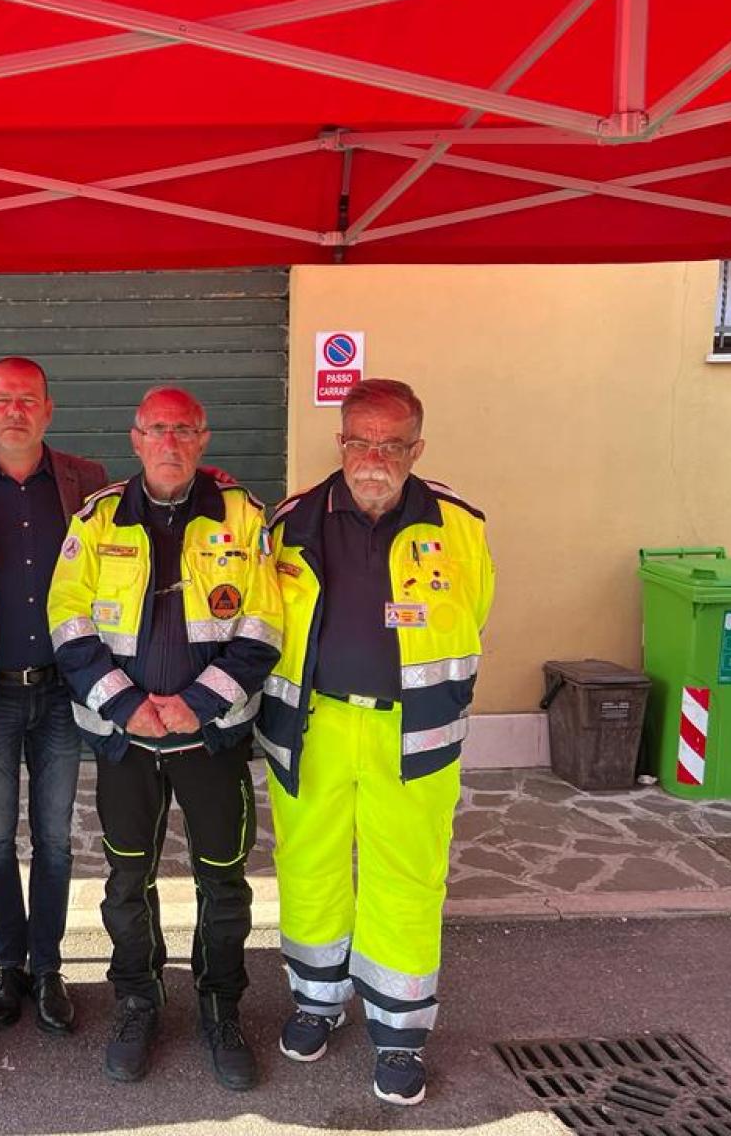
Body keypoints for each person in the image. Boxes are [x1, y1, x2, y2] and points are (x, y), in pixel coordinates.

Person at [259, 378, 494, 1107]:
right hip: (314, 725)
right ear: (341, 443)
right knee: (310, 865)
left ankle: (398, 1033)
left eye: (390, 444)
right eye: (359, 441)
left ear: (415, 449)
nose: (372, 457)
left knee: (407, 877)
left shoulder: (459, 524)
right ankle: (315, 1002)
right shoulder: (291, 522)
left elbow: (474, 614)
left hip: (411, 730)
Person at [47, 386, 282, 1091]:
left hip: (213, 743)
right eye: (158, 430)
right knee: (126, 882)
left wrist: (199, 705)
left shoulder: (247, 518)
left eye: (184, 430)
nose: (171, 443)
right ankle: (139, 1002)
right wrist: (125, 706)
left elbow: (266, 623)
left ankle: (220, 1007)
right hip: (126, 745)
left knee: (224, 884)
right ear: (136, 437)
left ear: (204, 438)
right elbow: (66, 616)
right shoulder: (97, 518)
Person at [0, 357, 106, 1034]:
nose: (15, 411)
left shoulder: (87, 483)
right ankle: (8, 965)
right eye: (1, 400)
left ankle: (48, 967)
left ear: (48, 409)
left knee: (56, 841)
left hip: (63, 693)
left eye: (27, 400)